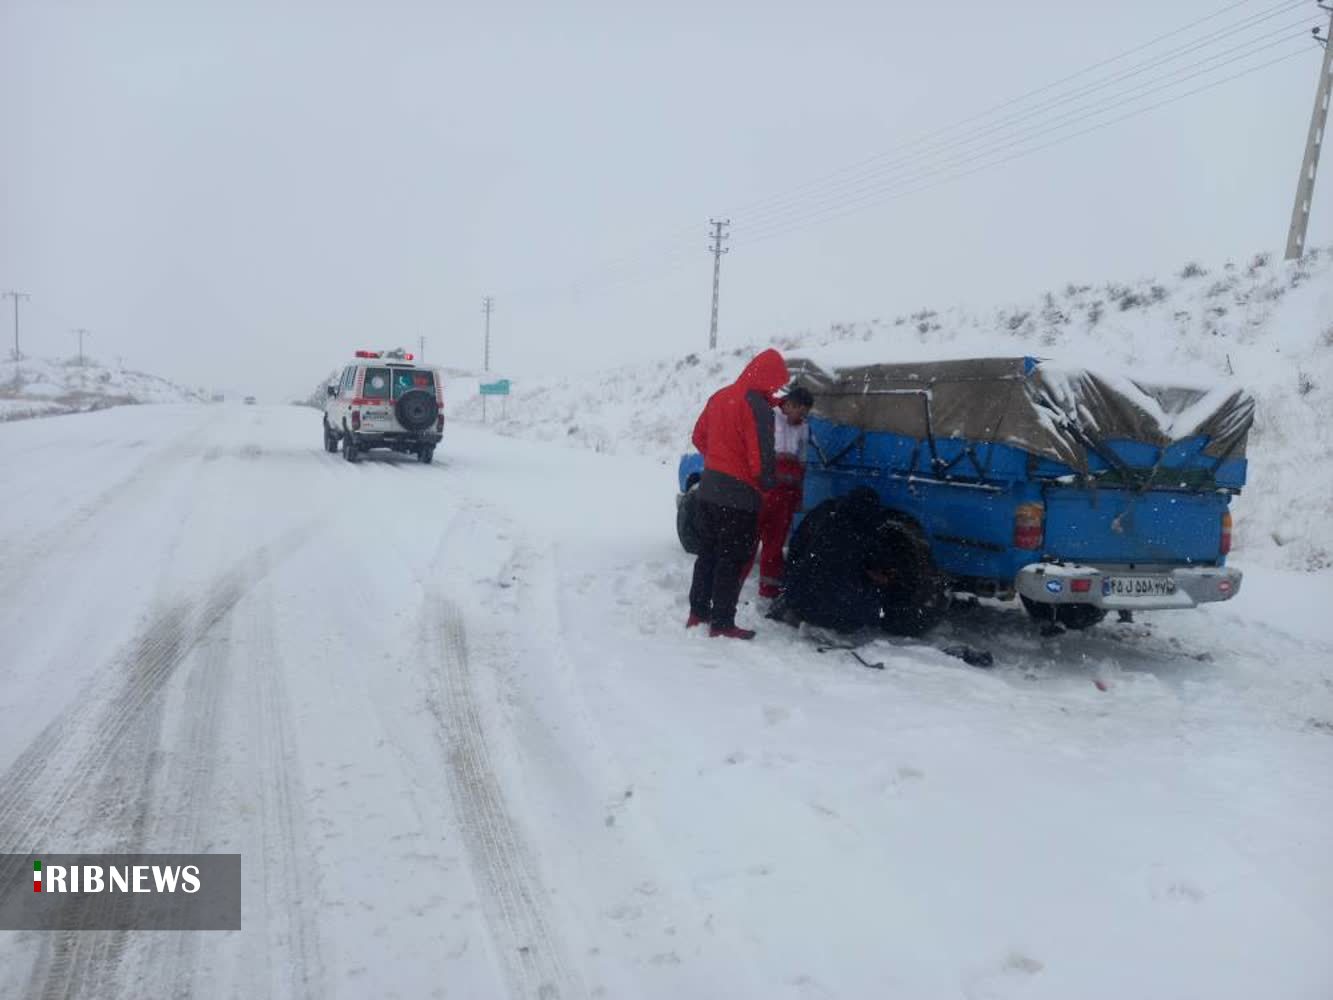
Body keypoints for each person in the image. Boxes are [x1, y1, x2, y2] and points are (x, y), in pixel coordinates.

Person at [687, 348, 790, 639]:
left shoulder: (721, 396)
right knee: (731, 560)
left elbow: (698, 436)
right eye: (776, 382)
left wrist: (719, 461)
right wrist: (768, 484)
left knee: (707, 553)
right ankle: (722, 622)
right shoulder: (757, 406)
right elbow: (761, 458)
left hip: (708, 491)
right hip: (739, 498)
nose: (775, 388)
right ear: (768, 377)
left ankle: (697, 613)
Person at [772, 487, 894, 633]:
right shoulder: (868, 532)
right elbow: (878, 570)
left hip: (799, 599)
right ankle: (827, 620)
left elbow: (796, 545)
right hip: (838, 615)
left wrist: (790, 582)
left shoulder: (825, 513)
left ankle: (802, 610)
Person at [743, 386, 814, 598]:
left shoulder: (803, 428)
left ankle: (769, 589)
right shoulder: (768, 417)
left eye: (805, 414)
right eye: (800, 412)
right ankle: (731, 585)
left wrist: (797, 495)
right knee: (747, 541)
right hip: (761, 494)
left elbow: (802, 463)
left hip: (785, 498)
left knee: (775, 545)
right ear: (789, 404)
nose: (802, 417)